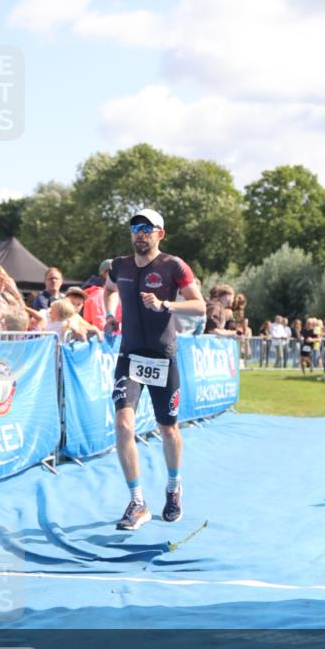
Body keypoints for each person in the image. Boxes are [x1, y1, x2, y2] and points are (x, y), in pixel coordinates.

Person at [103, 208, 205, 530]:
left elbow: (200, 305)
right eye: (135, 227)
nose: (140, 232)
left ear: (160, 233)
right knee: (122, 425)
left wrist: (167, 305)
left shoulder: (173, 266)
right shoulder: (119, 266)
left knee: (168, 429)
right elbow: (108, 290)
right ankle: (137, 502)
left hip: (163, 357)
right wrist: (109, 315)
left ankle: (173, 488)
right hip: (130, 357)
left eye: (147, 227)